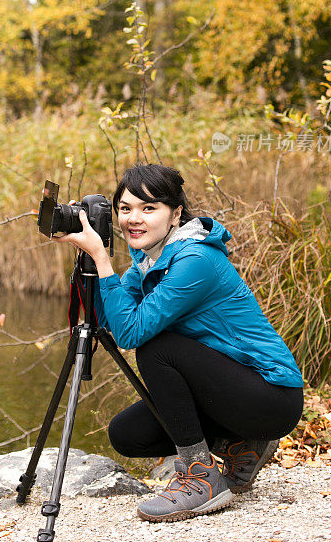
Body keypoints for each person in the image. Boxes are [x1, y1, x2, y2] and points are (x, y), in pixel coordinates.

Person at [56, 163, 304, 523]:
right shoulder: (148, 259)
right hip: (229, 392)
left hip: (271, 395)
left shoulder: (196, 259)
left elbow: (131, 335)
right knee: (127, 435)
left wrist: (103, 259)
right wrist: (90, 262)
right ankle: (242, 447)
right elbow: (112, 322)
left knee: (158, 347)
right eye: (125, 209)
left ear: (175, 215)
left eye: (148, 208)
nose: (133, 219)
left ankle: (199, 478)